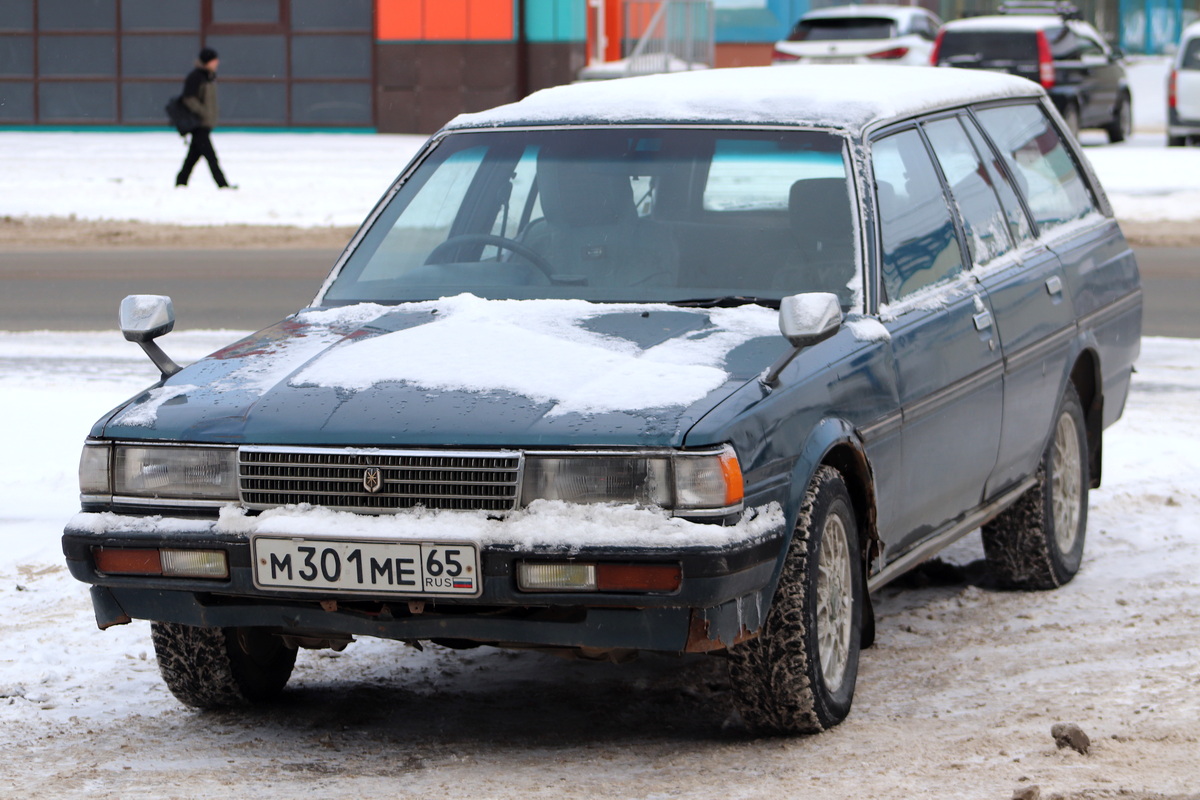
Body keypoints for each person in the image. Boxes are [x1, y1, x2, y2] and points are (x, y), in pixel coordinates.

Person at [175, 47, 234, 189]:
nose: (217, 62)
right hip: (198, 124)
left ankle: (181, 182)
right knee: (211, 157)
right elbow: (188, 99)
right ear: (208, 61)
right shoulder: (196, 77)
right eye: (214, 60)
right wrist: (203, 112)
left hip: (204, 123)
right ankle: (223, 185)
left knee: (192, 158)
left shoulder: (209, 76)